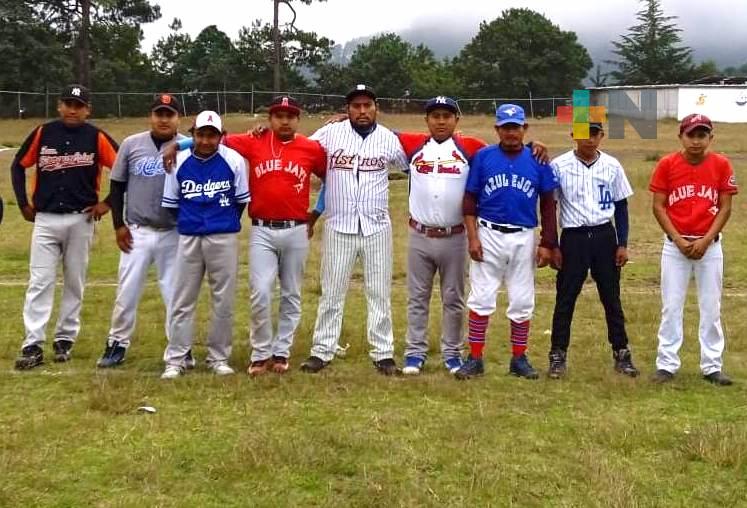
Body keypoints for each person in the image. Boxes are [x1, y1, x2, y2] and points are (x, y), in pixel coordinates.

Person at [169, 96, 327, 376]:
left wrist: (316, 212)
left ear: (298, 119)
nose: (285, 120)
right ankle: (261, 351)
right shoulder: (254, 140)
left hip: (296, 228)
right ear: (270, 119)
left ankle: (281, 351)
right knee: (261, 292)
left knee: (291, 294)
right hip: (262, 228)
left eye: (290, 115)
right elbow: (211, 141)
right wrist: (177, 145)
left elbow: (332, 178)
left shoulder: (310, 147)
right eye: (279, 115)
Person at [300, 84, 409, 375]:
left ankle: (383, 353)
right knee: (332, 292)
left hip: (376, 226)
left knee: (379, 292)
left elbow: (413, 164)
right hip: (339, 224)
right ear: (347, 109)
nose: (362, 111)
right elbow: (300, 152)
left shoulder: (388, 139)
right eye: (356, 106)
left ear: (376, 108)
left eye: (367, 105)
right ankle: (321, 351)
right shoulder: (329, 134)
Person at [12, 84, 117, 370]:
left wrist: (107, 202)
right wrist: (23, 203)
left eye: (79, 105)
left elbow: (123, 168)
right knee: (40, 281)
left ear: (88, 109)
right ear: (59, 105)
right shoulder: (43, 132)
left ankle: (65, 339)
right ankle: (32, 343)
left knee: (74, 280)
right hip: (45, 218)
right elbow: (18, 165)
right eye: (68, 104)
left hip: (80, 219)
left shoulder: (96, 136)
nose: (73, 109)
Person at [454, 104, 559, 380]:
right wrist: (473, 237)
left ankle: (519, 357)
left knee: (522, 298)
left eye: (516, 127)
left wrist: (548, 242)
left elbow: (548, 204)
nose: (511, 133)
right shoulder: (484, 157)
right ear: (497, 129)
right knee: (481, 297)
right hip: (488, 232)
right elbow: (469, 200)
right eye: (506, 127)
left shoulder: (538, 159)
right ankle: (475, 357)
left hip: (524, 235)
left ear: (525, 129)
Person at [96, 94, 193, 368]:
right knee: (127, 291)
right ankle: (117, 343)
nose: (164, 119)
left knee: (175, 294)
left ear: (178, 118)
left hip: (173, 231)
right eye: (159, 113)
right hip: (137, 230)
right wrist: (118, 225)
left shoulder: (186, 146)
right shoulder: (131, 144)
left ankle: (180, 348)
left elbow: (216, 143)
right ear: (151, 116)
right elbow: (117, 185)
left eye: (169, 114)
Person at [396, 97, 487, 375]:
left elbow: (504, 152)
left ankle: (452, 352)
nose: (440, 121)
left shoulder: (469, 147)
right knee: (417, 296)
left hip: (456, 235)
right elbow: (378, 131)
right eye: (435, 115)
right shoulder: (415, 145)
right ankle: (414, 353)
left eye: (447, 116)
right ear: (427, 120)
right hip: (420, 234)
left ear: (456, 120)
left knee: (453, 298)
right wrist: (341, 121)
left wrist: (534, 146)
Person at [160, 111, 250, 379]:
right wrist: (192, 222)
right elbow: (172, 204)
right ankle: (176, 359)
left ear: (221, 136)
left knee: (223, 300)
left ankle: (218, 357)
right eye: (201, 134)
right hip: (188, 236)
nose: (206, 141)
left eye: (212, 135)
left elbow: (241, 201)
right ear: (193, 134)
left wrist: (219, 222)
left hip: (222, 236)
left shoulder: (233, 160)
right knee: (182, 300)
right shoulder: (178, 160)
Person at [649, 113, 737, 386]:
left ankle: (712, 365)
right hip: (676, 245)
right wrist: (677, 239)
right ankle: (666, 364)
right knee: (671, 306)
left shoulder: (721, 164)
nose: (696, 141)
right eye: (691, 135)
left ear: (711, 138)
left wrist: (706, 239)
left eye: (702, 135)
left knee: (711, 306)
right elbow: (658, 205)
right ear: (681, 137)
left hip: (709, 245)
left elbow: (725, 207)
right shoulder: (667, 164)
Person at [546, 122, 639, 379]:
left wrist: (623, 243)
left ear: (602, 136)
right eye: (584, 134)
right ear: (573, 135)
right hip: (574, 237)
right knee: (566, 297)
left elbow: (621, 206)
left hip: (603, 235)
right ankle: (557, 355)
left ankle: (621, 353)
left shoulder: (612, 165)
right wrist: (553, 244)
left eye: (595, 134)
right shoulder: (559, 165)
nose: (589, 139)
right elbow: (550, 208)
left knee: (611, 297)